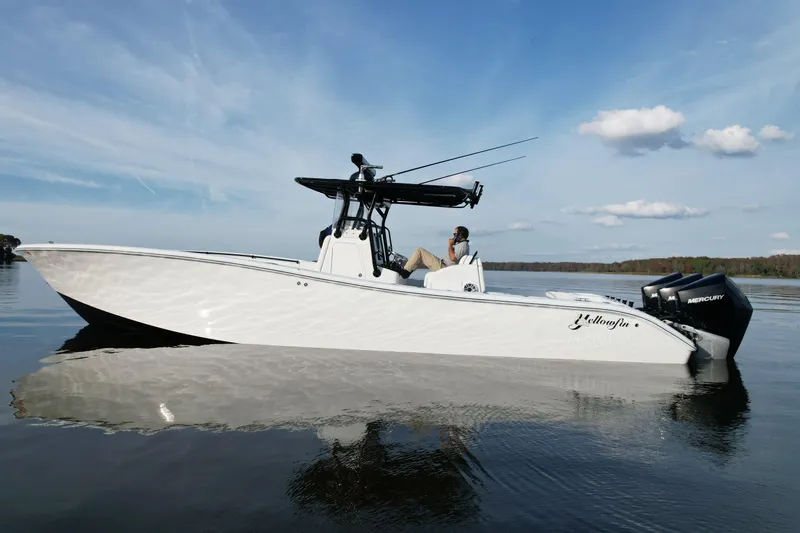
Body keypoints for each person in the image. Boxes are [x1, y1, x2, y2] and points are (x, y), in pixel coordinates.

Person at [398, 226, 470, 278]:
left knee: (419, 251)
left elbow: (453, 258)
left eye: (455, 234)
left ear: (460, 235)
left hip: (444, 268)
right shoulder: (461, 245)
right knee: (419, 258)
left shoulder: (463, 245)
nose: (453, 236)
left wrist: (450, 245)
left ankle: (405, 272)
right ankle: (406, 272)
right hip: (444, 266)